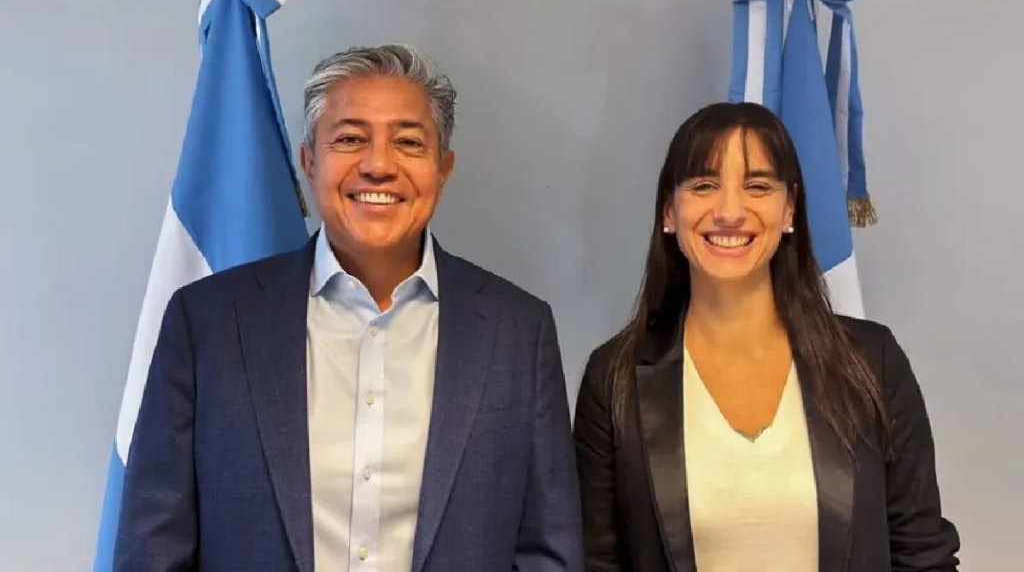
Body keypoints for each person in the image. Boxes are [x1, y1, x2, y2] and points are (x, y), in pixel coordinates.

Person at [115, 43, 583, 572]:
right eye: (350, 139)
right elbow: (154, 547)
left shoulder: (517, 331)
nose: (379, 165)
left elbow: (548, 550)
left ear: (443, 168)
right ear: (309, 162)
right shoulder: (209, 322)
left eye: (408, 142)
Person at [573, 101, 960, 572]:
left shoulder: (871, 361)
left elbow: (924, 556)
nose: (730, 211)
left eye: (757, 186)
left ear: (789, 208)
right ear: (669, 211)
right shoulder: (615, 378)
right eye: (704, 186)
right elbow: (595, 563)